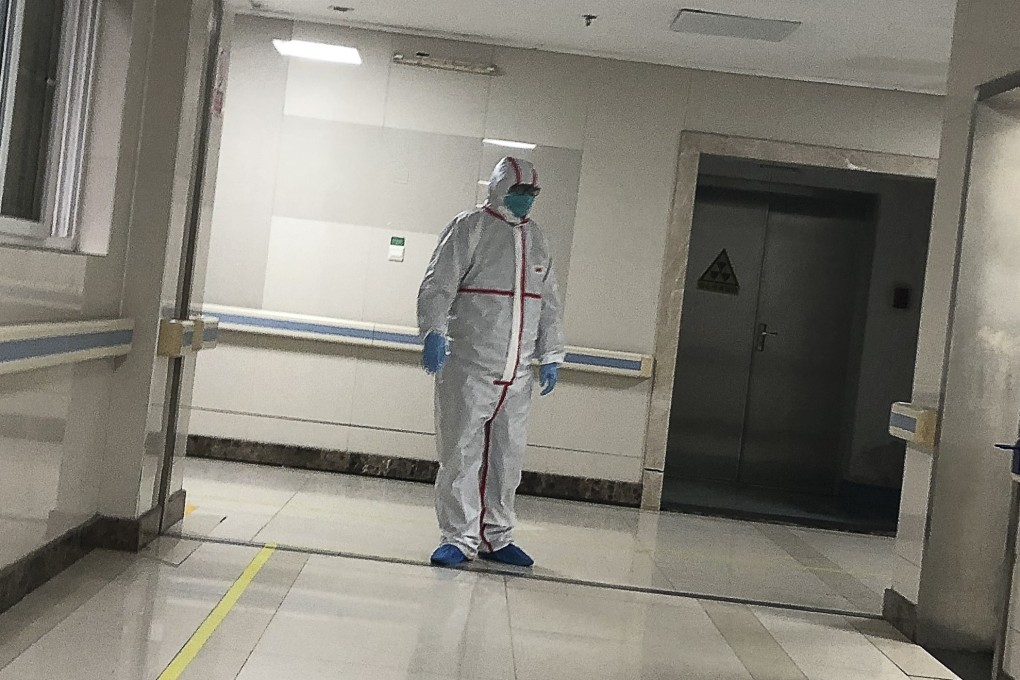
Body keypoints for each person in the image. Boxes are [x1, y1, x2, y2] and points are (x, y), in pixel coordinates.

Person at [417, 156, 565, 568]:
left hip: (516, 375)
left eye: (532, 194)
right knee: (461, 452)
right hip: (468, 366)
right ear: (499, 189)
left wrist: (550, 354)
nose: (526, 200)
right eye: (519, 192)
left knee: (507, 457)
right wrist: (433, 332)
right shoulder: (470, 228)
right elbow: (438, 284)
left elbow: (548, 303)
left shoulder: (537, 239)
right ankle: (458, 538)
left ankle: (497, 537)